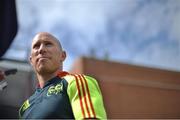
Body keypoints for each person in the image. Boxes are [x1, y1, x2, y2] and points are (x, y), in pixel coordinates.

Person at [19, 32, 107, 119]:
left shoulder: (76, 82)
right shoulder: (24, 107)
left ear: (63, 55)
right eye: (36, 46)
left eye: (48, 44)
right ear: (31, 60)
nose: (41, 49)